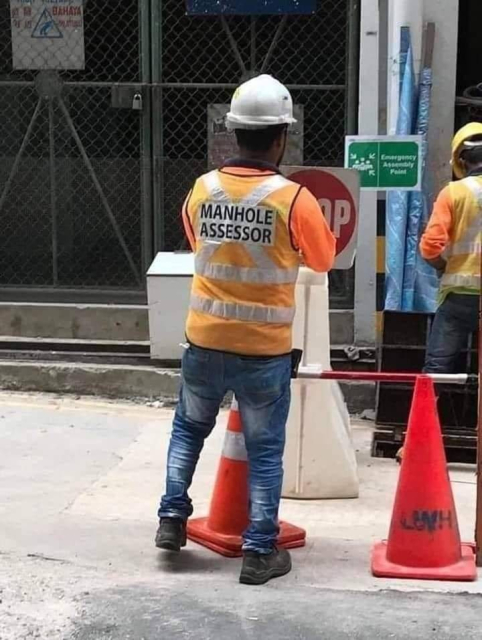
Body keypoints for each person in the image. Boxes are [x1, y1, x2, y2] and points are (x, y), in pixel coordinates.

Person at [155, 74, 336, 585]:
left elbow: (197, 243)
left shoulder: (202, 188)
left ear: (234, 133)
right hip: (264, 351)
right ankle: (259, 552)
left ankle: (172, 518)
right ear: (282, 136)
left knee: (188, 430)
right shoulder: (293, 199)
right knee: (264, 450)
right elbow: (322, 260)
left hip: (205, 340)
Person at [420, 122, 482, 374]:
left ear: (461, 160)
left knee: (437, 369)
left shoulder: (454, 193)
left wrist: (444, 266)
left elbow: (429, 248)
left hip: (459, 296)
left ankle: (429, 412)